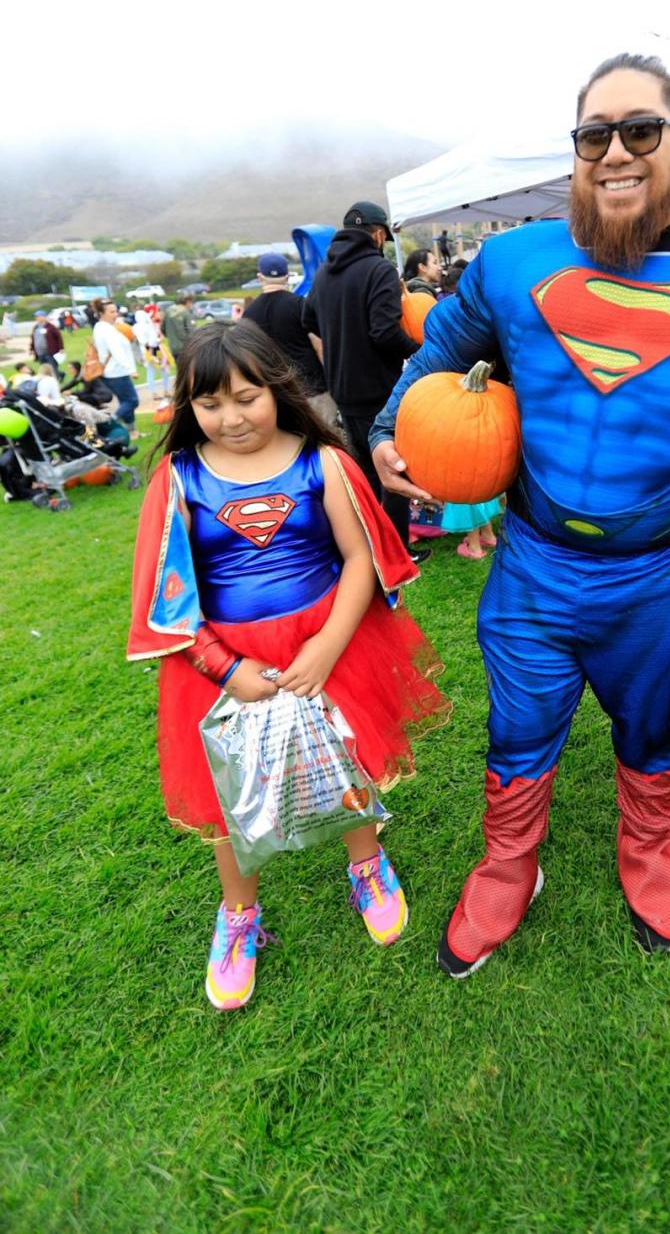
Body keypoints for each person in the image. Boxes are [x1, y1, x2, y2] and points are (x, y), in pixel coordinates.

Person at [371, 52, 670, 976]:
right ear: (575, 151)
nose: (615, 151)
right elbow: (437, 358)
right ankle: (508, 865)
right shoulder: (512, 262)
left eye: (640, 130)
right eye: (594, 134)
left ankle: (647, 852)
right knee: (519, 725)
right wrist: (392, 430)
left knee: (653, 721)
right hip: (535, 565)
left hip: (660, 573)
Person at [126, 320, 448, 1010]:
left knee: (343, 763)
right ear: (187, 407)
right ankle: (238, 915)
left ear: (277, 387)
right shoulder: (179, 479)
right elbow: (170, 598)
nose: (231, 417)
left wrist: (328, 646)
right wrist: (223, 667)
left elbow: (360, 556)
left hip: (328, 645)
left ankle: (367, 863)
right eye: (209, 404)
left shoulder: (321, 462)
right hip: (224, 664)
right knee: (227, 798)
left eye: (246, 397)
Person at [302, 200, 428, 562]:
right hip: (379, 388)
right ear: (377, 234)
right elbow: (384, 332)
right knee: (391, 468)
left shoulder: (324, 273)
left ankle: (374, 544)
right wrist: (420, 350)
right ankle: (397, 550)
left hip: (343, 388)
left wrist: (338, 337)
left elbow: (307, 321)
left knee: (369, 475)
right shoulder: (379, 270)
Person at [243, 252, 338, 431]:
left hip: (275, 393)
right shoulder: (300, 305)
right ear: (287, 276)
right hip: (313, 388)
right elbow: (320, 346)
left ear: (259, 277)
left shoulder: (249, 314)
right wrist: (332, 379)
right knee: (326, 441)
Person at [92, 298, 141, 438]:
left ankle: (132, 431)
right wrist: (130, 369)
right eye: (112, 312)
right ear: (102, 313)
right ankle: (109, 422)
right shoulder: (106, 330)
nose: (115, 314)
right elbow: (116, 351)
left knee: (125, 401)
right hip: (117, 372)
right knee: (132, 401)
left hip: (112, 371)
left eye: (116, 311)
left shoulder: (102, 327)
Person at [134, 305, 171, 401]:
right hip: (155, 350)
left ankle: (157, 392)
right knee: (162, 368)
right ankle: (164, 390)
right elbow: (152, 341)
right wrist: (159, 340)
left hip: (147, 351)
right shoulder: (148, 326)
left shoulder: (136, 327)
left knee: (153, 370)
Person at [162, 294, 196, 361]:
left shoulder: (168, 311)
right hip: (186, 348)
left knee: (180, 369)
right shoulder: (186, 313)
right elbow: (192, 332)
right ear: (188, 302)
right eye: (192, 302)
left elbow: (163, 329)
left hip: (173, 347)